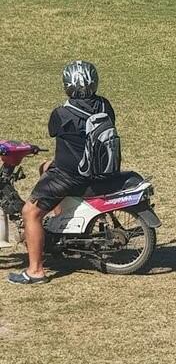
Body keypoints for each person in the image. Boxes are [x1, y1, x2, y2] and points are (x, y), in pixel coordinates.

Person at [7, 61, 115, 285]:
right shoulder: (105, 105)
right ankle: (62, 225)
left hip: (69, 175)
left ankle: (35, 271)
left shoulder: (62, 113)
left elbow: (53, 131)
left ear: (68, 85)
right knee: (46, 167)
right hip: (97, 170)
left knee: (30, 212)